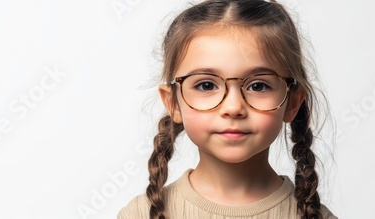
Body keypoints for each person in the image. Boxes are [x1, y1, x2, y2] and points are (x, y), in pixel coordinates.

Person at [118, 0, 337, 218]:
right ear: (173, 103)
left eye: (258, 86)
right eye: (206, 85)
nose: (233, 108)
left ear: (293, 103)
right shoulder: (138, 215)